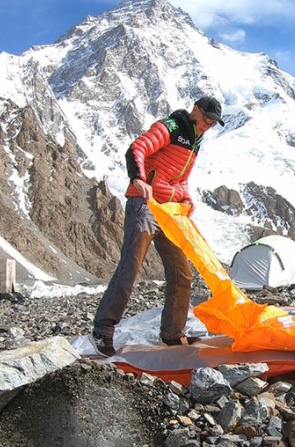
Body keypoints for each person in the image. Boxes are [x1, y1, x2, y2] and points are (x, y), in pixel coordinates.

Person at [89, 96, 224, 357]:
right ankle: (102, 330)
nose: (209, 124)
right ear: (195, 110)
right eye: (206, 118)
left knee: (182, 272)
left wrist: (185, 197)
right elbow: (137, 149)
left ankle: (172, 334)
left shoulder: (196, 142)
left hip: (169, 212)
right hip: (144, 203)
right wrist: (138, 179)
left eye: (214, 122)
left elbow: (180, 178)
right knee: (131, 266)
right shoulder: (170, 128)